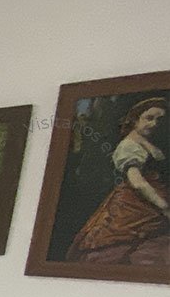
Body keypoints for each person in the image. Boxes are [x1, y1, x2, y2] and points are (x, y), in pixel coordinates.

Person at [66, 97, 169, 264]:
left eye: (160, 120)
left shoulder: (145, 141)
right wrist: (163, 206)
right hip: (135, 203)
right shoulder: (129, 146)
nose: (154, 124)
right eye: (149, 118)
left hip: (153, 202)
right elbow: (138, 183)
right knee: (124, 247)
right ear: (135, 120)